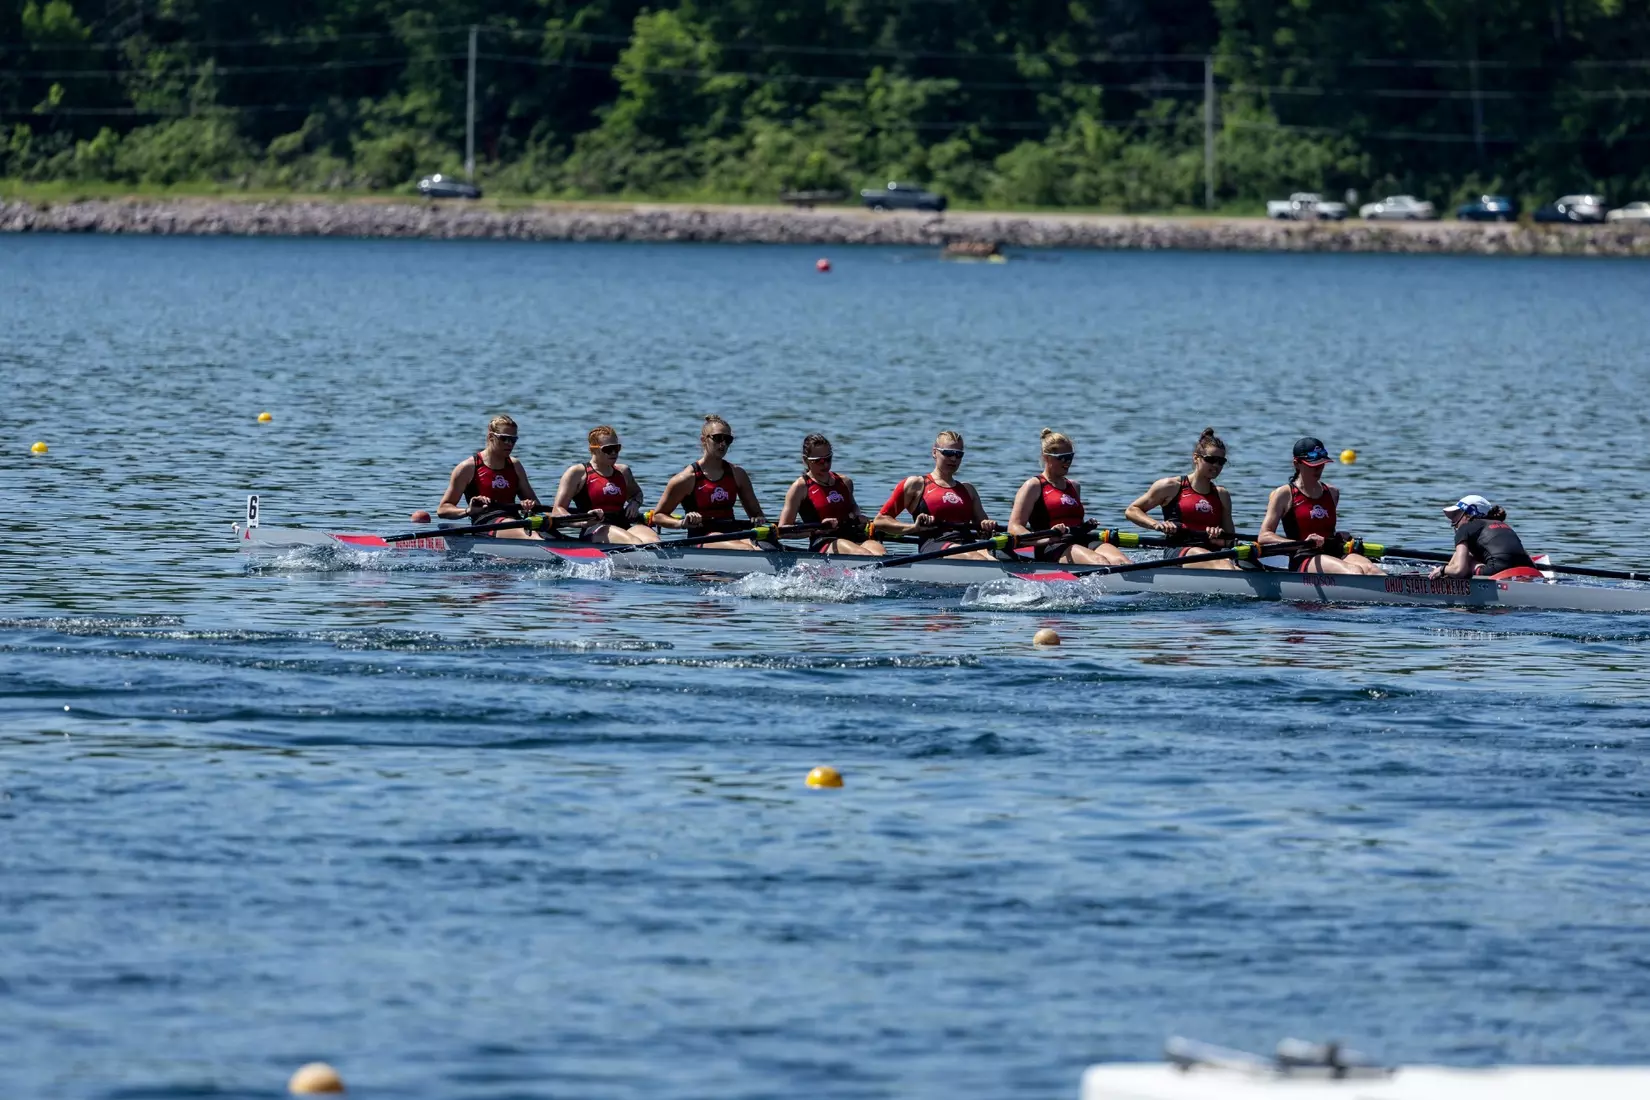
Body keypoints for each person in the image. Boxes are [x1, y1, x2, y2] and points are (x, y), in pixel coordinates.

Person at [1257, 436, 1382, 575]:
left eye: (1322, 464)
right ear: (1297, 463)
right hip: (1304, 556)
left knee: (1373, 570)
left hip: (1333, 551)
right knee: (1354, 572)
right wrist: (1302, 542)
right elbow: (1264, 536)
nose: (1319, 468)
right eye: (1313, 465)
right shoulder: (1284, 494)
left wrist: (1339, 536)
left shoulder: (1332, 492)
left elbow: (1324, 529)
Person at [872, 430, 1001, 561]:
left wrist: (987, 526)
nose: (954, 459)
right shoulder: (916, 484)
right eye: (948, 453)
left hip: (968, 544)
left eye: (959, 454)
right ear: (934, 452)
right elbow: (880, 521)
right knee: (977, 558)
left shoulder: (968, 490)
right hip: (935, 545)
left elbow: (983, 528)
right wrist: (913, 528)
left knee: (997, 559)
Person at [1007, 429, 1129, 566]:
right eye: (1062, 457)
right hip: (1052, 547)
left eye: (1070, 456)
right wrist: (1047, 539)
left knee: (1123, 562)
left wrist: (1085, 526)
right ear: (1046, 457)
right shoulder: (1033, 486)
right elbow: (1014, 527)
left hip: (1080, 540)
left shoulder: (1074, 486)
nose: (1068, 462)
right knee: (1099, 562)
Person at [1124, 427, 1239, 571]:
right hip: (1178, 551)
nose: (1216, 466)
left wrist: (1219, 536)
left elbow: (1230, 540)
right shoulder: (1171, 486)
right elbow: (1132, 510)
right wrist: (1156, 525)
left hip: (1213, 553)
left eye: (1221, 461)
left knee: (1238, 567)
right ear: (1196, 458)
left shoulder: (1222, 495)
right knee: (1224, 566)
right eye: (1211, 460)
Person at [652, 415, 768, 551]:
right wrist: (682, 523)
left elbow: (756, 514)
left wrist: (759, 520)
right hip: (701, 539)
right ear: (703, 440)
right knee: (748, 550)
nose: (723, 444)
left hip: (732, 534)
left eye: (728, 439)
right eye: (718, 438)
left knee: (767, 547)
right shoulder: (686, 478)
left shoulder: (738, 474)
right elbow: (658, 516)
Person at [776, 433, 886, 556]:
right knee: (862, 554)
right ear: (805, 460)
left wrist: (860, 518)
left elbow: (854, 510)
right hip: (824, 543)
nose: (825, 464)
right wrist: (818, 528)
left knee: (880, 553)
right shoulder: (800, 488)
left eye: (828, 459)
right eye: (819, 461)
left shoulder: (845, 482)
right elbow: (783, 530)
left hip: (853, 537)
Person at [437, 414, 544, 539]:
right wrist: (468, 511)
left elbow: (537, 505)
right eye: (504, 439)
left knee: (549, 531)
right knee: (531, 534)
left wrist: (529, 506)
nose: (510, 444)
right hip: (486, 523)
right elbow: (443, 509)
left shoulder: (515, 465)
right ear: (491, 437)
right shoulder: (468, 468)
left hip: (516, 520)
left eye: (513, 440)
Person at [549, 425, 660, 545]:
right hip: (595, 529)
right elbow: (558, 510)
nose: (614, 453)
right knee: (634, 542)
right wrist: (583, 522)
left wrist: (634, 503)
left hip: (623, 524)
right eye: (608, 449)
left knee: (654, 542)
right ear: (593, 449)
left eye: (616, 448)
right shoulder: (577, 473)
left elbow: (637, 494)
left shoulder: (623, 471)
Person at [1430, 495, 1543, 580]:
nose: (1453, 522)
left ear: (1469, 514)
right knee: (1469, 555)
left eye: (1457, 514)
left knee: (1463, 561)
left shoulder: (1465, 528)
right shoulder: (1504, 526)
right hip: (1530, 572)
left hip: (1498, 573)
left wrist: (1442, 570)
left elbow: (1459, 570)